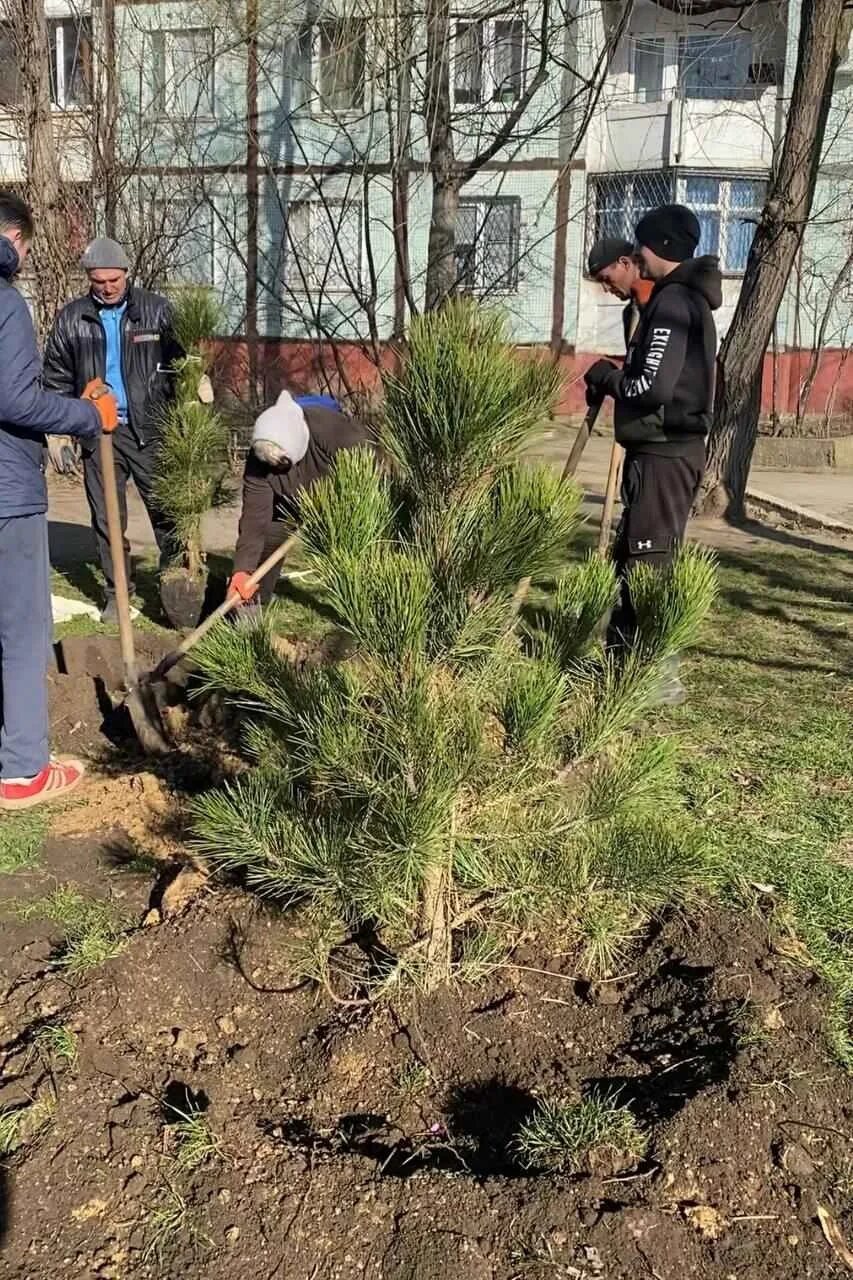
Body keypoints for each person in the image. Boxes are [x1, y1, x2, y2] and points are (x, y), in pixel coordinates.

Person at [0, 192, 118, 810]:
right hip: (5, 493)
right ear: (14, 238)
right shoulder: (6, 300)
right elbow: (15, 399)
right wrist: (87, 413)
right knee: (21, 630)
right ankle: (22, 770)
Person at [584, 204, 722, 702]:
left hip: (667, 454)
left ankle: (658, 680)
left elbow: (650, 385)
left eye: (643, 245)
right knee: (634, 555)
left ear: (660, 248)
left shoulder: (673, 304)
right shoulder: (672, 301)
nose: (638, 254)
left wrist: (607, 377)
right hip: (660, 451)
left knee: (650, 560)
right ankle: (622, 665)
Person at [42, 238, 194, 622]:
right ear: (89, 280)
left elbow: (184, 363)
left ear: (127, 273)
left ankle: (176, 591)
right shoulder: (72, 319)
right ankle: (117, 594)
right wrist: (60, 433)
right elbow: (56, 379)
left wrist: (193, 396)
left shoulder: (157, 312)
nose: (108, 287)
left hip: (152, 428)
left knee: (166, 515)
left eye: (114, 279)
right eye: (98, 281)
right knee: (108, 521)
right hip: (99, 433)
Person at [228, 390, 369, 606]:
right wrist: (242, 570)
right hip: (288, 502)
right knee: (269, 536)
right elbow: (254, 519)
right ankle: (253, 603)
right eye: (270, 466)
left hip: (343, 502)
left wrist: (336, 503)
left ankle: (361, 609)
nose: (273, 469)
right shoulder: (258, 460)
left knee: (351, 556)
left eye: (280, 465)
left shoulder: (330, 429)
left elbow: (368, 468)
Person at [587, 235, 655, 346]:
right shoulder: (629, 313)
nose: (606, 289)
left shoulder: (665, 301)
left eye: (606, 279)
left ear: (624, 263)